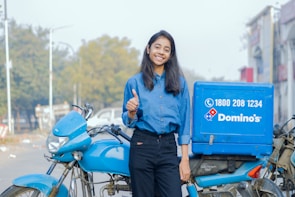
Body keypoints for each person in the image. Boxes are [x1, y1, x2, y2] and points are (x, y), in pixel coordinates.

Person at [122, 30, 191, 197]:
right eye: (157, 47)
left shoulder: (179, 83)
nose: (161, 52)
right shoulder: (134, 82)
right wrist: (131, 112)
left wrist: (184, 159)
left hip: (168, 147)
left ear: (171, 54)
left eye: (166, 49)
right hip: (142, 146)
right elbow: (127, 121)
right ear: (148, 49)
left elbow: (185, 122)